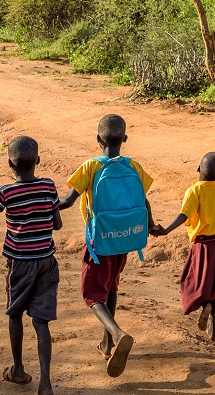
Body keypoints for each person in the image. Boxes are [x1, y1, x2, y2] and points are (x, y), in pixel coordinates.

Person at [59, 113, 161, 377]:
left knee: (92, 293)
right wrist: (150, 224)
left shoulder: (90, 166)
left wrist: (45, 207)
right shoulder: (134, 166)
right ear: (124, 139)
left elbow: (69, 201)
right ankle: (107, 344)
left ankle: (117, 332)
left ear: (97, 139)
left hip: (99, 242)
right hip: (125, 238)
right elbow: (143, 202)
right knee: (111, 285)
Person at [0, 135, 61, 395]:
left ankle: (18, 369)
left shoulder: (5, 192)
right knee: (41, 322)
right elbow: (57, 224)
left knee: (15, 313)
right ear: (38, 161)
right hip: (46, 261)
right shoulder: (48, 186)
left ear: (9, 163)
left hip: (19, 263)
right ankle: (45, 384)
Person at [155, 151, 215, 341]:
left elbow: (184, 215)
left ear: (199, 169)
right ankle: (213, 328)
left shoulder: (194, 191)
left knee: (193, 281)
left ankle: (204, 305)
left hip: (204, 246)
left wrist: (166, 230)